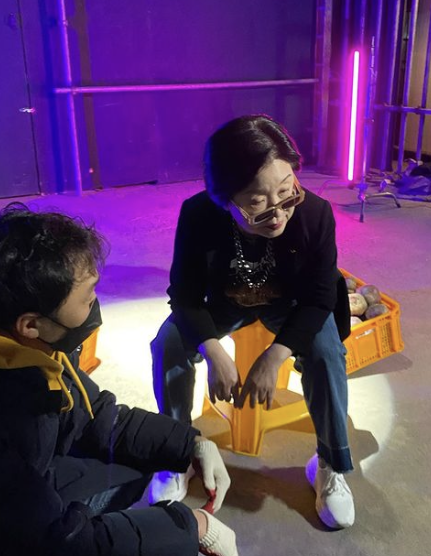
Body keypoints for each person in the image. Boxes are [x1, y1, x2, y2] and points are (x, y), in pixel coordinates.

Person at [0, 204, 238, 556]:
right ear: (30, 324)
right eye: (87, 298)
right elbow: (54, 541)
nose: (95, 304)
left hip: (32, 478)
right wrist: (191, 527)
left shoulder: (25, 349)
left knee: (140, 462)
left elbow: (96, 414)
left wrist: (190, 443)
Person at [150, 114, 354, 530]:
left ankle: (330, 463)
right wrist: (213, 350)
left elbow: (320, 298)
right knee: (168, 343)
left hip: (291, 303)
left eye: (286, 190)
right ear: (223, 197)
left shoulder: (315, 214)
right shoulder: (199, 214)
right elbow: (184, 294)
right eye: (257, 202)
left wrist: (274, 357)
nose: (278, 213)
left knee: (327, 350)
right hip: (226, 300)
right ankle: (176, 452)